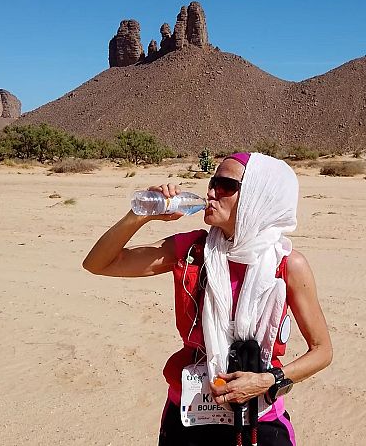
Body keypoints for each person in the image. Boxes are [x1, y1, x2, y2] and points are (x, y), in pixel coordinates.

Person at [83, 152, 332, 445]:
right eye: (212, 182)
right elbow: (99, 264)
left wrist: (267, 380)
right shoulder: (192, 250)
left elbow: (322, 350)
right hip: (189, 417)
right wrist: (140, 214)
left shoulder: (287, 265)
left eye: (226, 186)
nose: (211, 192)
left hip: (258, 419)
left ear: (258, 195)